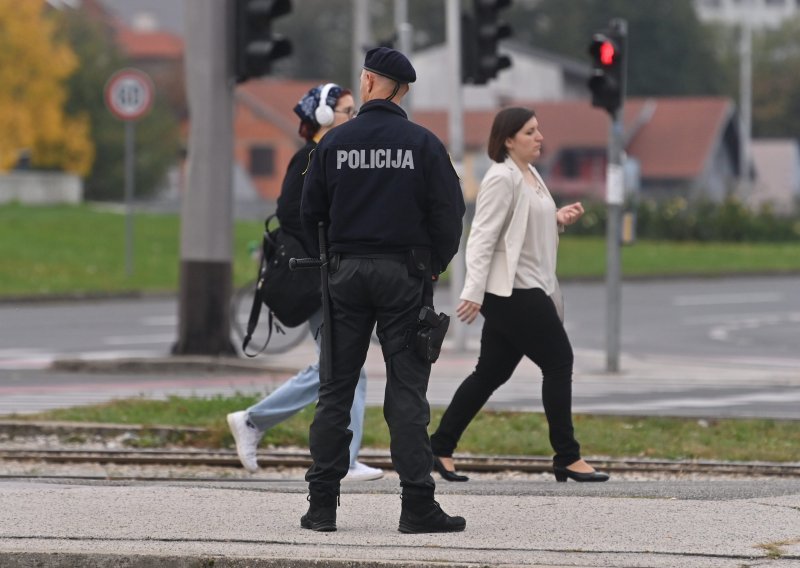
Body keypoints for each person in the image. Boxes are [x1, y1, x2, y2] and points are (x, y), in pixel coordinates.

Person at [299, 47, 467, 533]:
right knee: (407, 392)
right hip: (405, 277)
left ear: (371, 83)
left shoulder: (333, 144)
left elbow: (310, 213)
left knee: (335, 389)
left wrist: (333, 263)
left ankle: (322, 506)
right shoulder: (424, 144)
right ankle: (417, 505)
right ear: (404, 89)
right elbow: (448, 215)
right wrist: (432, 266)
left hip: (346, 276)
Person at [429, 107, 610, 484]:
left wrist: (556, 218)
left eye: (538, 130)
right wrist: (473, 292)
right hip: (512, 291)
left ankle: (439, 447)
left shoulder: (530, 175)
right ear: (509, 140)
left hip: (530, 285)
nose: (539, 137)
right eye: (530, 132)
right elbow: (481, 238)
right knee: (559, 361)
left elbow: (524, 222)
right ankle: (567, 457)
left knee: (490, 373)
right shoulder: (501, 177)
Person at [227, 83, 383, 483]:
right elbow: (292, 214)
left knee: (340, 364)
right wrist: (332, 247)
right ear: (325, 117)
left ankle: (260, 423)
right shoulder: (309, 158)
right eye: (347, 110)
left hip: (330, 274)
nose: (354, 116)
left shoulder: (330, 156)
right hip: (317, 278)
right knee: (340, 364)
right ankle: (256, 421)